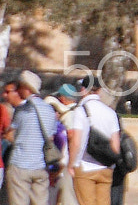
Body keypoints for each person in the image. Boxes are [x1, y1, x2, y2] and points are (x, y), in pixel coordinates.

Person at [67, 76, 123, 205]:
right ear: (99, 91)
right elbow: (116, 145)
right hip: (106, 167)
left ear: (83, 90)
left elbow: (76, 141)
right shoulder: (111, 113)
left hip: (85, 166)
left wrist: (71, 164)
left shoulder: (81, 111)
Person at [7, 71, 54, 205]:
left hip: (20, 163)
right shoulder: (49, 109)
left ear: (26, 88)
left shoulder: (22, 110)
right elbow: (50, 137)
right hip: (41, 166)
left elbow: (11, 135)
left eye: (20, 86)